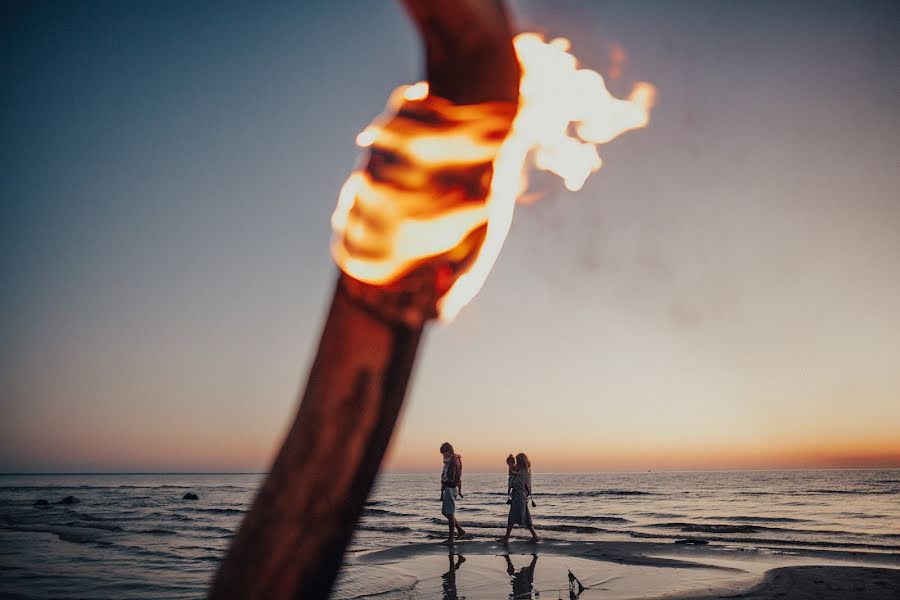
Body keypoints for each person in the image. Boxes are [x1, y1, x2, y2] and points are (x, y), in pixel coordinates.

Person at [501, 453, 538, 544]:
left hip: (519, 496)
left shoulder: (524, 470)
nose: (516, 462)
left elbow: (513, 473)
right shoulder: (525, 470)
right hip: (521, 496)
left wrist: (510, 464)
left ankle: (506, 538)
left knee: (511, 518)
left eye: (517, 460)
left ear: (521, 461)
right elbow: (513, 473)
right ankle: (535, 536)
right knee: (527, 518)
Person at [439, 442, 466, 543]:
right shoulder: (455, 460)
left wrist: (443, 481)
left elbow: (452, 478)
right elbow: (458, 477)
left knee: (449, 514)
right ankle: (460, 530)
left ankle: (451, 538)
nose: (443, 455)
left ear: (448, 451)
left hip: (450, 488)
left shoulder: (453, 462)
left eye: (443, 453)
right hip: (451, 488)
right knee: (445, 512)